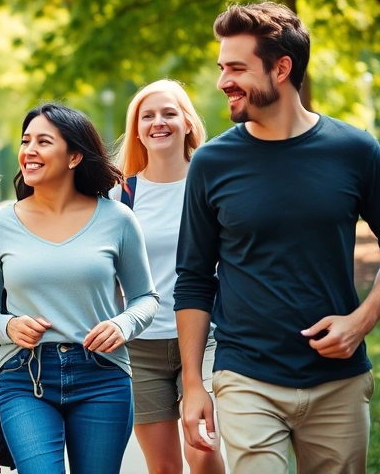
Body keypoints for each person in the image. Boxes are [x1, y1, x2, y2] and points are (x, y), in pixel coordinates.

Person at [175, 1, 380, 474]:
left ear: (282, 68)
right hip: (246, 375)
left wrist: (362, 320)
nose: (222, 80)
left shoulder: (354, 150)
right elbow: (193, 277)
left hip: (338, 382)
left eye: (236, 67)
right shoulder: (211, 163)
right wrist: (194, 383)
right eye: (221, 67)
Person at [0, 103, 159, 474]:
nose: (29, 150)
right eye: (26, 141)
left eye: (43, 141)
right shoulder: (0, 225)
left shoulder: (117, 219)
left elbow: (145, 299)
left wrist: (122, 325)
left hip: (102, 375)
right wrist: (7, 327)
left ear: (74, 156)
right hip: (26, 377)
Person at [111, 80, 225, 474]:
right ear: (138, 129)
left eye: (169, 113)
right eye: (148, 116)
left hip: (209, 337)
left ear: (188, 123)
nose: (158, 123)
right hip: (141, 348)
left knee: (205, 452)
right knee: (163, 467)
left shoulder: (213, 184)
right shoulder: (120, 196)